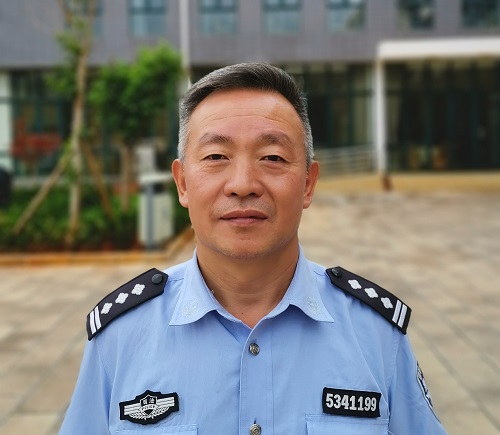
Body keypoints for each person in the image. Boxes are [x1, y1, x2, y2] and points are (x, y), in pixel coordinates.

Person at [59, 63, 447, 434]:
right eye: (216, 157)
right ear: (182, 183)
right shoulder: (120, 338)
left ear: (308, 183)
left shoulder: (375, 336)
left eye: (272, 158)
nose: (243, 184)